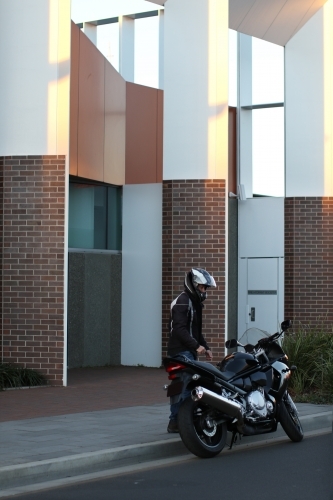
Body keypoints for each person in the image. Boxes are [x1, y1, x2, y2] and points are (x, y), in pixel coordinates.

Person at [167, 267, 216, 433]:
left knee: (179, 385)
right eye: (202, 287)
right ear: (193, 285)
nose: (204, 290)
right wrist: (196, 346)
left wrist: (206, 347)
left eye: (205, 287)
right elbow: (179, 330)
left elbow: (195, 331)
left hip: (184, 351)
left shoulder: (194, 304)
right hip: (181, 352)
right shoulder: (182, 301)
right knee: (187, 385)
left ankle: (175, 421)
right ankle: (182, 421)